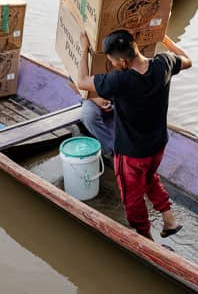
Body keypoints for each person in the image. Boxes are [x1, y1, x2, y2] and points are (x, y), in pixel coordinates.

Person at [76, 30, 192, 241]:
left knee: (132, 198)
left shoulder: (119, 81)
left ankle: (145, 238)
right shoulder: (163, 63)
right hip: (157, 146)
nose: (111, 64)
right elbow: (187, 60)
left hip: (131, 154)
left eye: (111, 61)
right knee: (149, 178)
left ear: (121, 61)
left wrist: (84, 48)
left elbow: (82, 81)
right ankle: (169, 220)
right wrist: (165, 38)